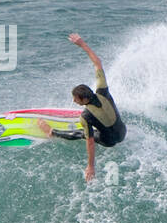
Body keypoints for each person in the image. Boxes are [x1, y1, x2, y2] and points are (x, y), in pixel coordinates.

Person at [38, 33, 126, 181]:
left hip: (109, 142)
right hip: (123, 132)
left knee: (81, 133)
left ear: (84, 99)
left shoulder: (86, 116)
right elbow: (97, 63)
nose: (74, 101)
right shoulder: (102, 90)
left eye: (76, 99)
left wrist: (90, 166)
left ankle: (51, 132)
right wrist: (82, 44)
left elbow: (90, 142)